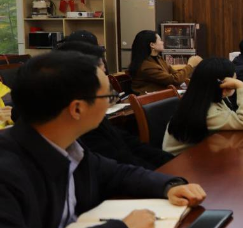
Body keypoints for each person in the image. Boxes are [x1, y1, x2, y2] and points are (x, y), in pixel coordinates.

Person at [0, 51, 207, 228]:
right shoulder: (8, 169)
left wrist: (168, 185)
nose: (111, 102)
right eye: (108, 96)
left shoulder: (69, 146)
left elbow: (117, 173)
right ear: (77, 109)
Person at [57, 41, 174, 170]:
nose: (106, 78)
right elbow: (119, 169)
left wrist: (171, 162)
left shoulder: (92, 118)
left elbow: (130, 144)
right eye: (102, 73)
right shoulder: (79, 132)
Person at [163, 58, 243, 155]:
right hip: (178, 161)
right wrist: (241, 86)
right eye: (233, 81)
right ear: (222, 85)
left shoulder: (200, 100)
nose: (234, 84)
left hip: (197, 156)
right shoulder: (208, 113)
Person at [129, 30, 202, 94]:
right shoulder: (146, 66)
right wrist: (190, 65)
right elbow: (174, 80)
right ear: (152, 45)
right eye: (160, 40)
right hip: (150, 99)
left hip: (161, 95)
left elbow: (175, 74)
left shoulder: (158, 58)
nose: (163, 42)